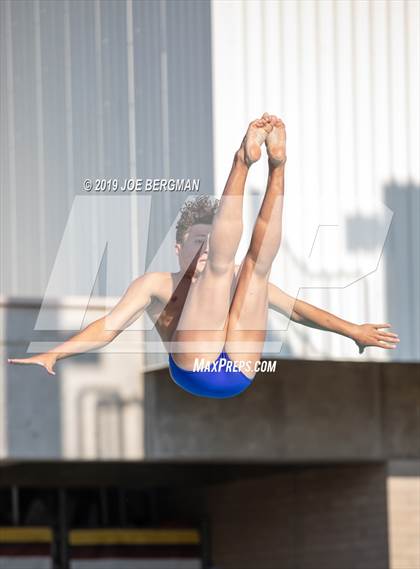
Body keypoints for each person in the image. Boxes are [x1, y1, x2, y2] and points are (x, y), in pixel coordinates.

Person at [7, 113, 399, 399]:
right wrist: (56, 351)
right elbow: (110, 327)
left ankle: (277, 167)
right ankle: (242, 161)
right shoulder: (156, 284)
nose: (206, 247)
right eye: (198, 240)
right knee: (219, 269)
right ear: (178, 247)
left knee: (256, 271)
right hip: (194, 369)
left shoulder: (228, 278)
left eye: (210, 239)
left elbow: (297, 309)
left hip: (239, 371)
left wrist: (353, 331)